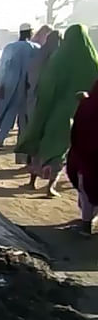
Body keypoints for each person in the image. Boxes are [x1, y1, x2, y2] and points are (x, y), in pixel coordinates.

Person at [16, 24, 98, 197]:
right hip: (80, 112)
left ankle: (32, 182)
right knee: (62, 149)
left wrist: (41, 106)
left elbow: (47, 86)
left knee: (41, 141)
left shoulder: (59, 59)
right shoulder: (93, 60)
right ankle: (50, 187)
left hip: (55, 110)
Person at [0, 23, 39, 148]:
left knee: (9, 112)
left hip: (10, 86)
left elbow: (2, 66)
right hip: (27, 87)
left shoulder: (10, 47)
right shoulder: (36, 48)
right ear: (30, 33)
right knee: (24, 116)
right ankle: (22, 143)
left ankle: (1, 139)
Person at [18, 29, 61, 164]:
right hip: (52, 105)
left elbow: (30, 79)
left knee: (34, 131)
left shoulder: (38, 55)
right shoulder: (62, 58)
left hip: (34, 101)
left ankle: (30, 164)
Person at [66, 80, 98, 235]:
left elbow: (78, 131)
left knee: (86, 190)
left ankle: (86, 226)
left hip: (89, 157)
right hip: (89, 155)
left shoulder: (89, 105)